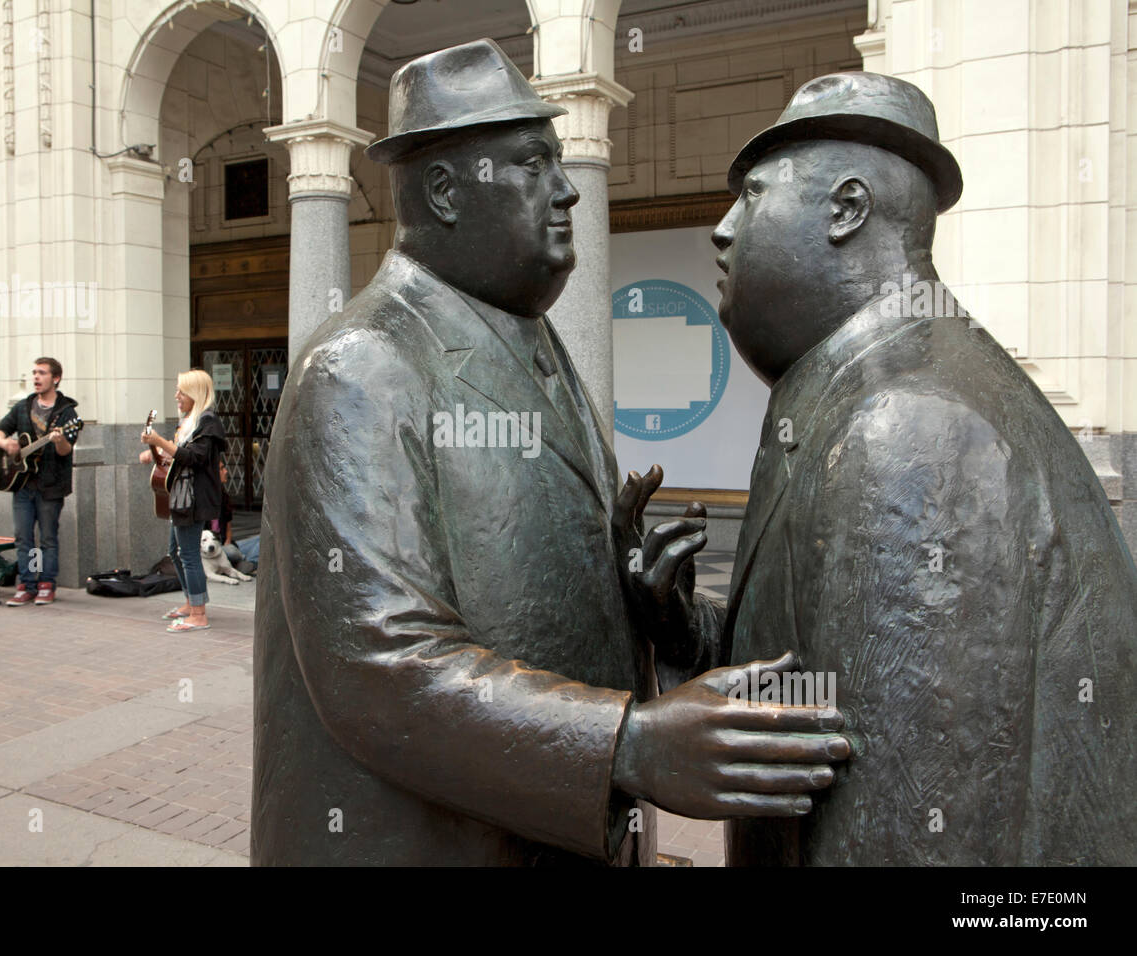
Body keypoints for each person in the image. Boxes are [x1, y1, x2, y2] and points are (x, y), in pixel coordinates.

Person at [252, 39, 850, 867]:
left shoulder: (531, 341)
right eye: (533, 165)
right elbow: (379, 667)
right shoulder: (364, 365)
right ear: (445, 191)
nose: (568, 188)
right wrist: (627, 746)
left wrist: (651, 608)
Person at [712, 72, 1137, 865]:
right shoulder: (875, 390)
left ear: (846, 209)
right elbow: (830, 702)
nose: (723, 230)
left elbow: (912, 833)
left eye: (754, 196)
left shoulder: (908, 429)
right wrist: (692, 634)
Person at [140, 369, 226, 632]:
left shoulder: (208, 422)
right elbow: (180, 456)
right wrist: (154, 453)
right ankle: (191, 603)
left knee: (188, 555)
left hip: (194, 498)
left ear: (196, 394)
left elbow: (194, 458)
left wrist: (160, 442)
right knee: (177, 553)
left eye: (181, 391)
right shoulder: (191, 420)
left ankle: (199, 615)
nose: (176, 395)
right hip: (182, 497)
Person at [0, 357, 78, 605]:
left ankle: (46, 584)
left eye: (42, 373)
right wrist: (5, 443)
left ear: (56, 378)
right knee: (24, 537)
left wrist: (59, 439)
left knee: (48, 537)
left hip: (51, 485)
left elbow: (65, 450)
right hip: (22, 485)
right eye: (34, 373)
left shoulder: (67, 413)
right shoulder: (23, 407)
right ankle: (27, 584)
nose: (36, 377)